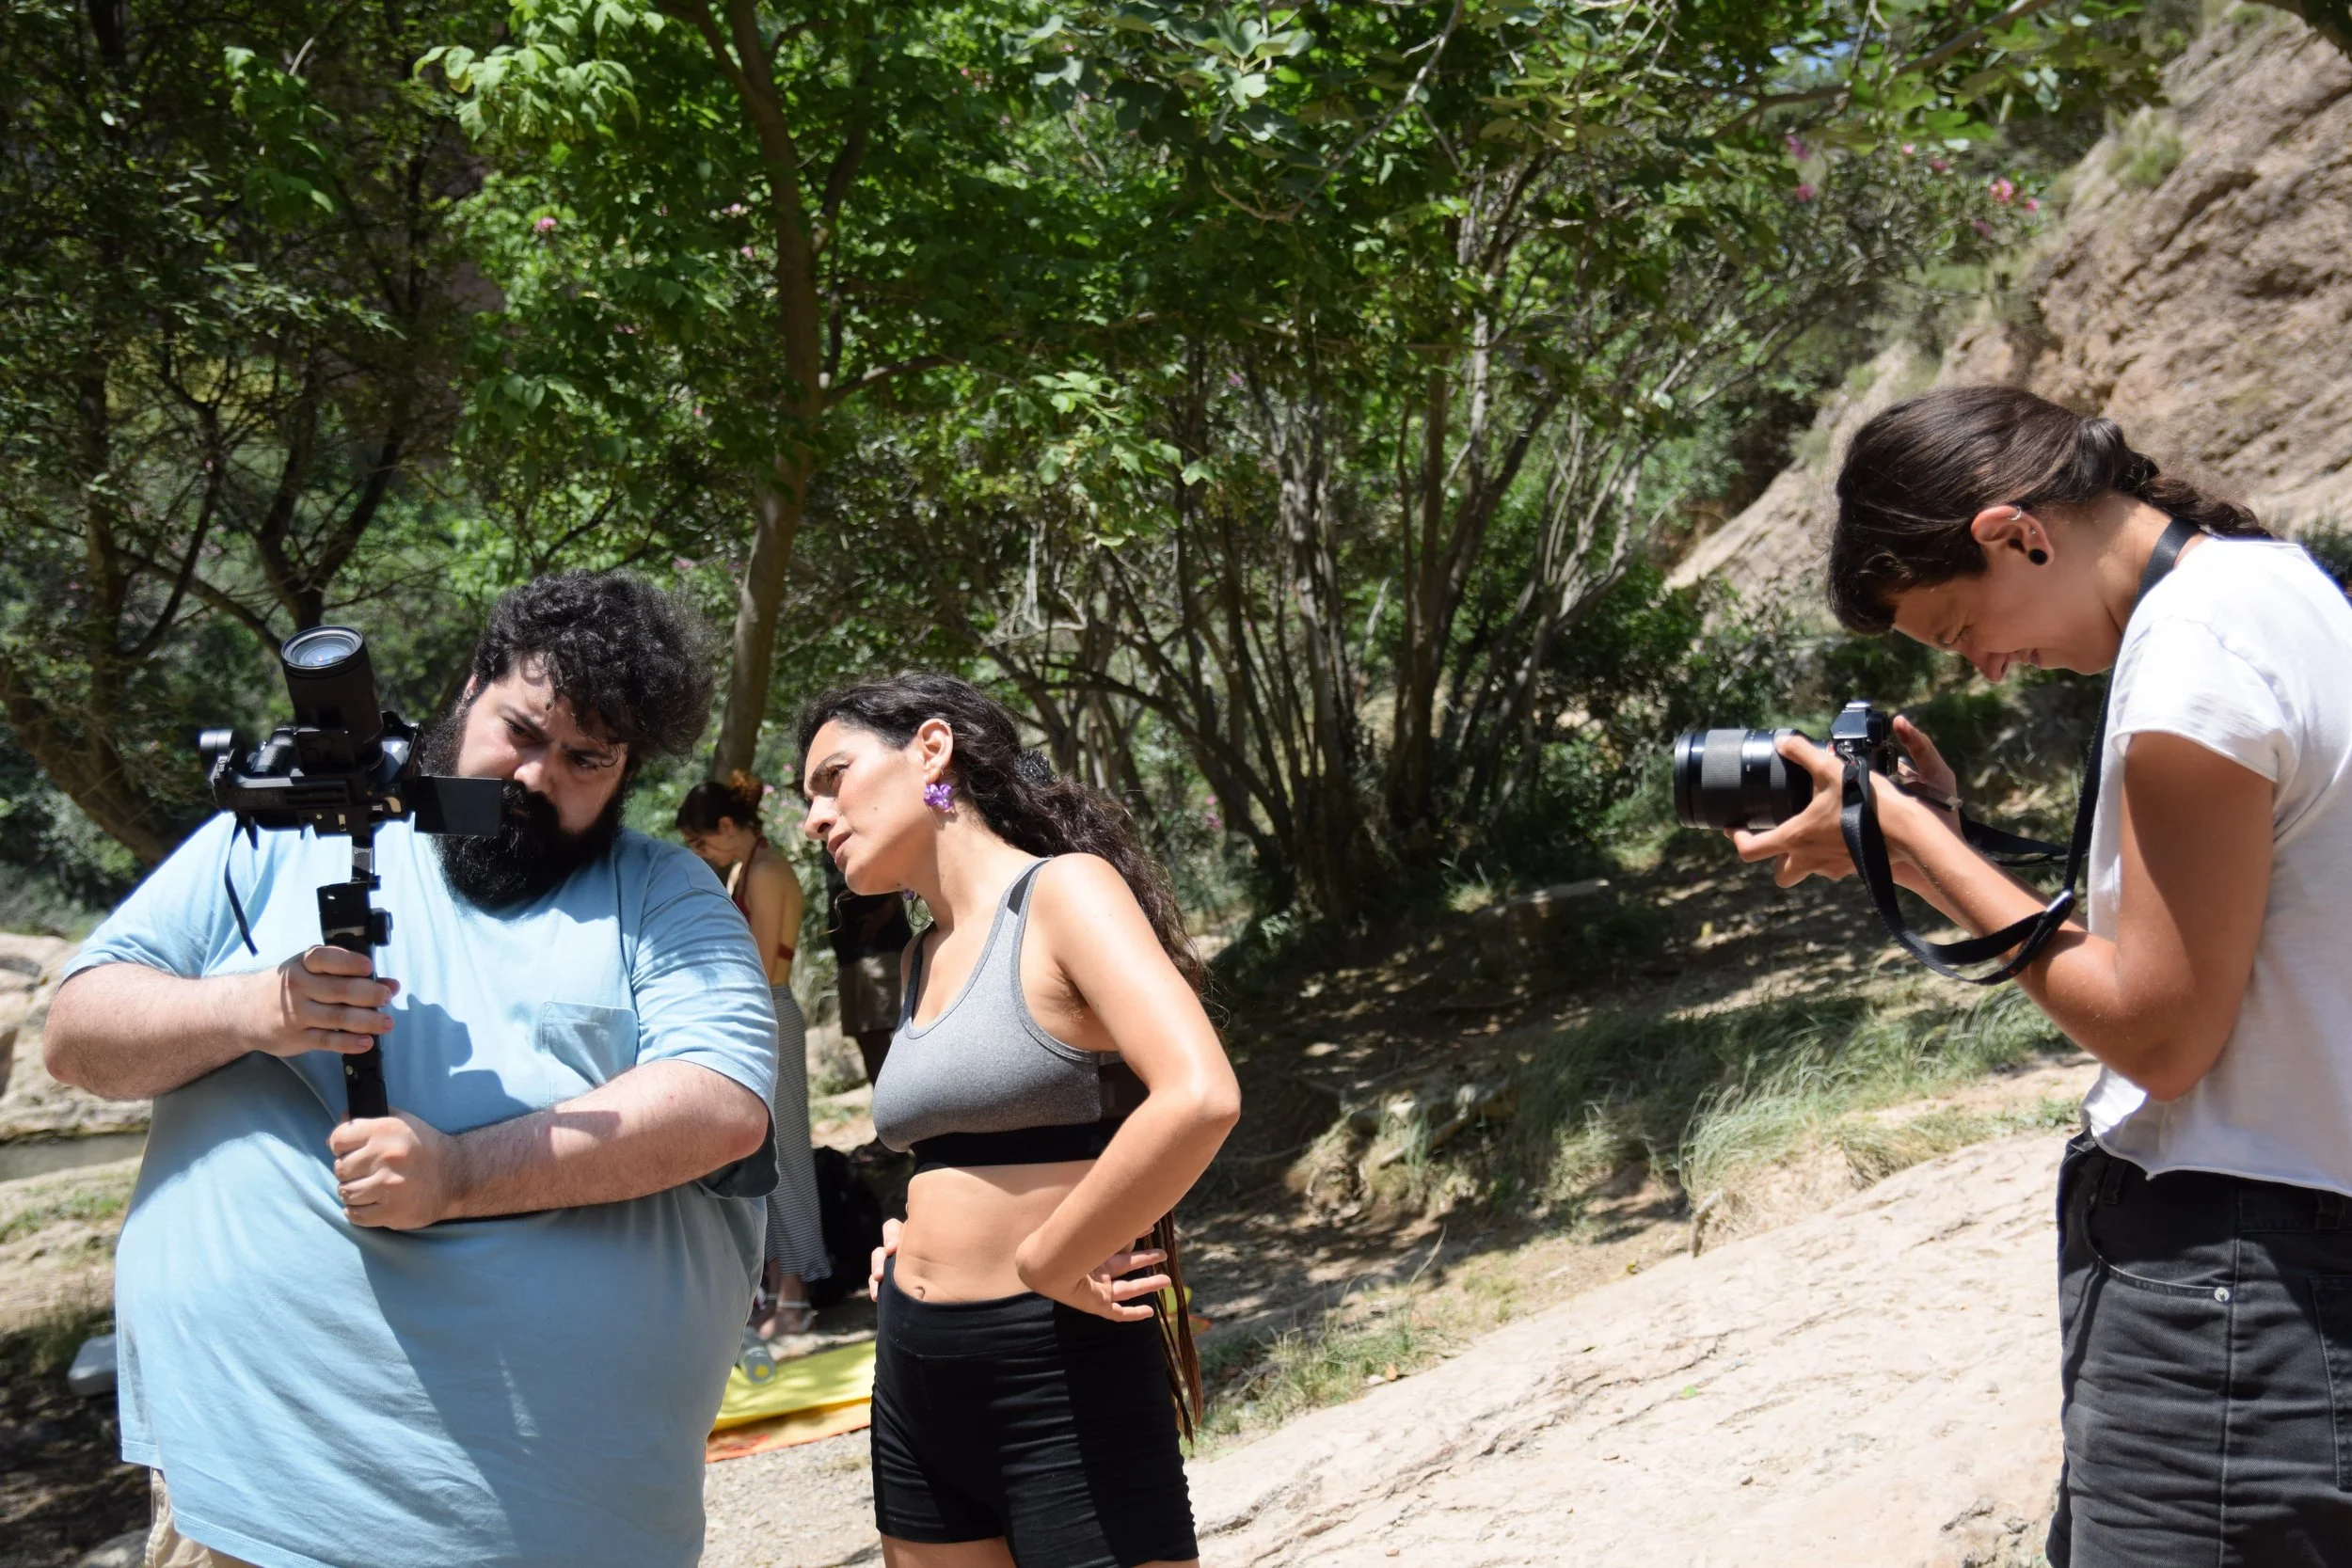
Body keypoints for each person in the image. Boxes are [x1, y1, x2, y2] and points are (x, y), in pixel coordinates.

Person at [43, 571, 780, 1568]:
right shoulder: (273, 836)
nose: (535, 776)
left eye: (586, 758)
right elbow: (78, 1032)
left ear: (626, 771)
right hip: (259, 1498)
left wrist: (458, 1175)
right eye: (520, 731)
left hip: (560, 1520)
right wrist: (254, 1008)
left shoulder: (664, 893)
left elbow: (720, 1104)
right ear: (471, 687)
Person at [1730, 386, 2352, 1565]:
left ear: (2015, 532)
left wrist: (1912, 840)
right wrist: (1941, 850)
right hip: (2289, 1258)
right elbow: (2224, 936)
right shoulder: (2267, 586)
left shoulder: (2193, 659)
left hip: (2229, 1290)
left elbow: (2160, 1034)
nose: (1986, 665)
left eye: (1961, 626)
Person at [797, 673, 1240, 1568]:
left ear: (931, 750)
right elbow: (964, 1149)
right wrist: (914, 1236)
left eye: (833, 778)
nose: (814, 818)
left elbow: (1199, 1095)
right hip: (913, 1368)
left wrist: (1047, 1256)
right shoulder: (919, 955)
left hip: (1057, 1364)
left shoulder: (1065, 892)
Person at [676, 770, 830, 1338]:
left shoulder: (764, 871)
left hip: (770, 1010)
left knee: (788, 1156)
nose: (701, 854)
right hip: (763, 1014)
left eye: (701, 842)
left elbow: (762, 968)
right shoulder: (749, 867)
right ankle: (781, 1281)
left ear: (726, 825)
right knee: (766, 1156)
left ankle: (799, 1290)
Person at [826, 856, 913, 1085]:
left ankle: (901, 1100)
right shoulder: (826, 841)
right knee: (862, 1034)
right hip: (848, 954)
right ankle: (884, 1101)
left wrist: (885, 911)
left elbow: (901, 869)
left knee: (879, 1031)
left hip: (880, 948)